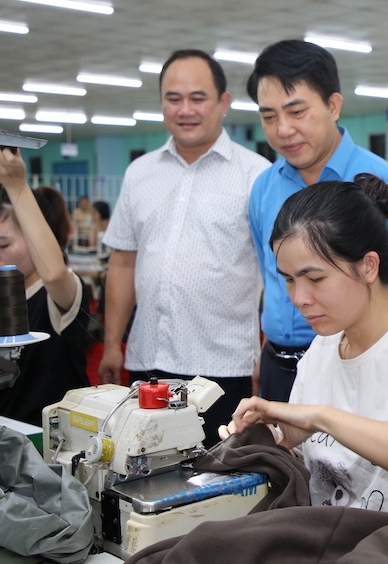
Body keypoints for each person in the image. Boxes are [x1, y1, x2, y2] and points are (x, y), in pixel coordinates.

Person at [220, 175, 388, 532]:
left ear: (368, 266)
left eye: (315, 279)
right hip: (344, 542)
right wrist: (271, 444)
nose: (299, 298)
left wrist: (320, 417)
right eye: (288, 280)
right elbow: (314, 467)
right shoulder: (321, 351)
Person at [246, 39, 388, 402]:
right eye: (269, 117)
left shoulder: (387, 185)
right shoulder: (263, 188)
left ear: (333, 105)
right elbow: (272, 280)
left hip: (360, 370)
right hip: (278, 367)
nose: (283, 129)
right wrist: (264, 354)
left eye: (296, 111)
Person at [98, 49, 271, 446]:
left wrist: (267, 351)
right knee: (145, 467)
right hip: (148, 365)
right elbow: (123, 264)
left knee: (218, 475)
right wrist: (111, 344)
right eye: (173, 99)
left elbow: (277, 272)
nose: (185, 110)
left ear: (223, 102)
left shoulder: (255, 175)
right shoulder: (140, 173)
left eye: (198, 98)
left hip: (225, 369)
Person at [0, 145, 91, 427]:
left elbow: (53, 273)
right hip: (8, 433)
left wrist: (16, 185)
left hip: (57, 437)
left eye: (3, 245)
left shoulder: (62, 293)